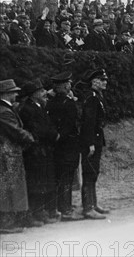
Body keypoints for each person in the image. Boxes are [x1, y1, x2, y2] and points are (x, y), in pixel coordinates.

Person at [18, 78, 60, 226]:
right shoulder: (27, 109)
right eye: (41, 91)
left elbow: (48, 125)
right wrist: (53, 135)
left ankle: (41, 212)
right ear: (33, 94)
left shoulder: (39, 106)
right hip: (35, 151)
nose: (44, 93)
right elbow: (38, 130)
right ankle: (36, 213)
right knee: (36, 182)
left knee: (43, 181)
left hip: (43, 150)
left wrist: (53, 133)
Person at [46, 72, 83, 221]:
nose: (70, 85)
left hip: (55, 146)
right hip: (68, 146)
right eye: (68, 83)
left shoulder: (49, 103)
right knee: (66, 177)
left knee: (57, 178)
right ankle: (66, 209)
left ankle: (57, 208)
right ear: (65, 86)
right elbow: (71, 125)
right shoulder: (69, 104)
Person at [0, 79, 34, 234]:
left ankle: (9, 221)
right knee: (8, 188)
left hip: (8, 153)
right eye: (14, 91)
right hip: (8, 154)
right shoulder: (4, 111)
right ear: (6, 94)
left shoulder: (6, 109)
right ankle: (6, 223)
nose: (16, 94)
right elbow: (15, 131)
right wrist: (29, 137)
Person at [80, 69, 110, 220]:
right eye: (102, 80)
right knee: (89, 173)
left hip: (96, 139)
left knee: (94, 172)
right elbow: (88, 122)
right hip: (91, 141)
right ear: (94, 81)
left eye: (105, 80)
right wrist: (90, 143)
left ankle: (93, 203)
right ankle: (88, 207)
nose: (105, 82)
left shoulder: (97, 96)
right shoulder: (91, 98)